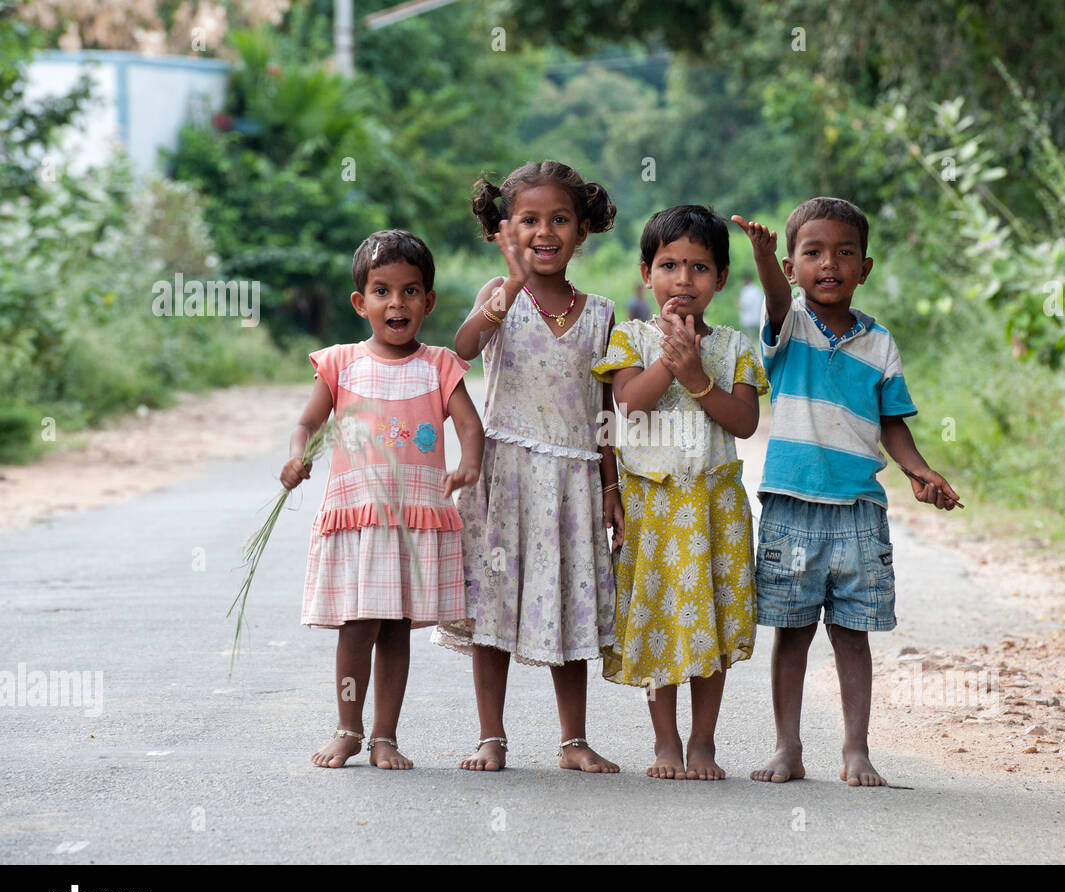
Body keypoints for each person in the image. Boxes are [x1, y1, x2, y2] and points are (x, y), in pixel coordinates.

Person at [732, 199, 960, 788]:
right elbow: (777, 302)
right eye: (812, 253)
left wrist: (918, 470)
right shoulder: (787, 328)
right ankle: (788, 747)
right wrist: (760, 260)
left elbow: (892, 421)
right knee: (792, 632)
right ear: (790, 266)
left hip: (859, 511)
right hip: (791, 508)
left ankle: (856, 750)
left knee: (852, 634)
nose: (828, 264)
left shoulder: (880, 343)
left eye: (844, 253)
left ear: (866, 267)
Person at [435, 161, 623, 774]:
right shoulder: (499, 296)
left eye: (560, 219)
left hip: (573, 483)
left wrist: (611, 484)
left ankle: (573, 741)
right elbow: (460, 350)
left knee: (569, 604)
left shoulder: (599, 311)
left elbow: (604, 410)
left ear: (583, 229)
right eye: (529, 221)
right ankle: (492, 736)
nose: (545, 232)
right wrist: (509, 286)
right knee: (492, 612)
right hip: (505, 477)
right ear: (504, 230)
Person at [282, 229, 484, 770]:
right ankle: (347, 728)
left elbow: (470, 425)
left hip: (415, 517)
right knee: (357, 624)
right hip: (361, 517)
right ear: (361, 302)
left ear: (428, 301)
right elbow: (307, 421)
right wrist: (298, 456)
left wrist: (468, 463)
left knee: (397, 628)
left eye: (410, 291)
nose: (397, 302)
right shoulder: (342, 363)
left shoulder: (440, 365)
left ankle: (384, 736)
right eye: (382, 291)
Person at [592, 205, 770, 781]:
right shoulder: (631, 339)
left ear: (720, 278)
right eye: (669, 265)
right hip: (654, 507)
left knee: (710, 627)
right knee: (658, 622)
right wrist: (672, 362)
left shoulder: (735, 347)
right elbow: (627, 407)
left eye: (699, 268)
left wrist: (698, 377)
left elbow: (743, 422)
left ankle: (703, 744)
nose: (684, 280)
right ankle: (665, 741)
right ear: (647, 273)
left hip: (716, 508)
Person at [738, 277, 763, 345]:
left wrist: (739, 304)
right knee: (757, 333)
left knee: (749, 334)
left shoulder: (746, 290)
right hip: (757, 315)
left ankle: (751, 344)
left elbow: (745, 303)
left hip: (749, 316)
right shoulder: (757, 289)